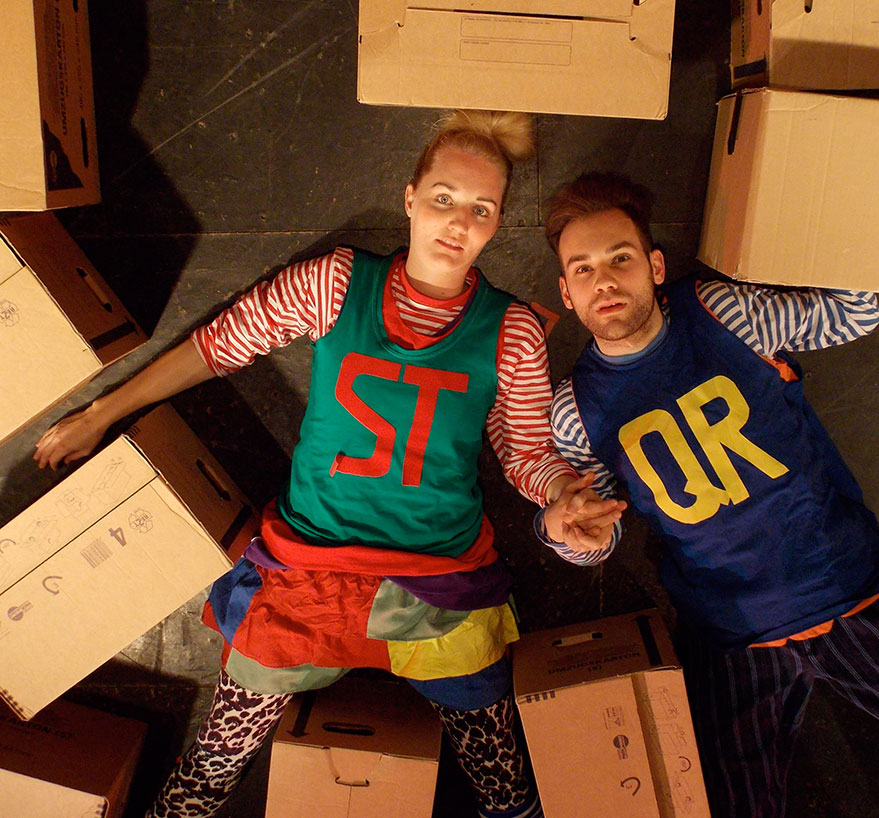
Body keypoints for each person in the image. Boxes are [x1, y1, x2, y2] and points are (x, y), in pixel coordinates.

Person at [34, 112, 623, 818]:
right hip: (305, 581)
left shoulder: (512, 328)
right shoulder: (335, 284)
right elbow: (217, 346)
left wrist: (561, 493)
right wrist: (100, 414)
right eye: (443, 198)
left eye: (481, 209)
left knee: (506, 787)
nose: (457, 222)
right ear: (410, 198)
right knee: (207, 773)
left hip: (439, 589)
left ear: (497, 223)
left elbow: (525, 450)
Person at [536, 171, 879, 818]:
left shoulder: (719, 312)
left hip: (846, 591)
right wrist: (561, 530)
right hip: (734, 636)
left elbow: (855, 314)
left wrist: (830, 209)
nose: (604, 281)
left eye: (620, 258)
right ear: (566, 292)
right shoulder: (573, 411)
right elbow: (599, 531)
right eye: (582, 269)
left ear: (656, 266)